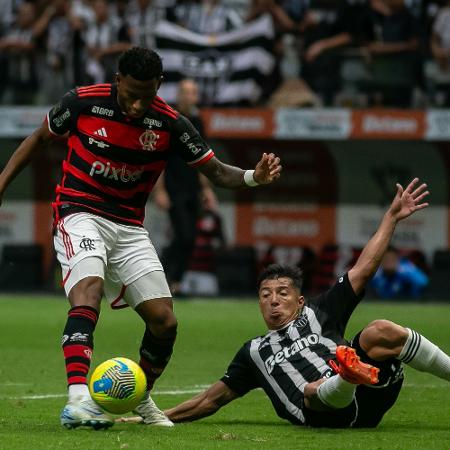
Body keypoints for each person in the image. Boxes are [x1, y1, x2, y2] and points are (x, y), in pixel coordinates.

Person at [0, 47, 282, 430]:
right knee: (89, 288)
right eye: (130, 93)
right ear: (117, 80)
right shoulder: (83, 102)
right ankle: (78, 398)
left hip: (130, 227)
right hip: (78, 211)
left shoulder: (171, 123)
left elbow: (215, 172)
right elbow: (38, 139)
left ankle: (141, 395)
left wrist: (254, 177)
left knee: (164, 320)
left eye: (146, 95)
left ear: (159, 86)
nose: (136, 105)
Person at [121, 178, 450, 428]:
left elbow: (363, 269)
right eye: (265, 295)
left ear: (300, 300)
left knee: (381, 331)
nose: (273, 300)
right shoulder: (253, 352)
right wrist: (153, 417)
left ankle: (349, 374)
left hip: (371, 397)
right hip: (321, 412)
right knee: (311, 389)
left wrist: (391, 218)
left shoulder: (321, 312)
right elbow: (211, 399)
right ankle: (345, 375)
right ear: (259, 305)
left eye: (282, 293)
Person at [153, 78, 217, 296]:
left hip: (193, 189)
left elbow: (202, 158)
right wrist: (159, 190)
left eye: (193, 92)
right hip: (173, 187)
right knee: (184, 235)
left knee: (190, 239)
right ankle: (161, 274)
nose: (190, 96)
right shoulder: (170, 119)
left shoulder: (198, 121)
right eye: (186, 92)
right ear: (179, 95)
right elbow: (159, 159)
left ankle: (175, 282)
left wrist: (206, 189)